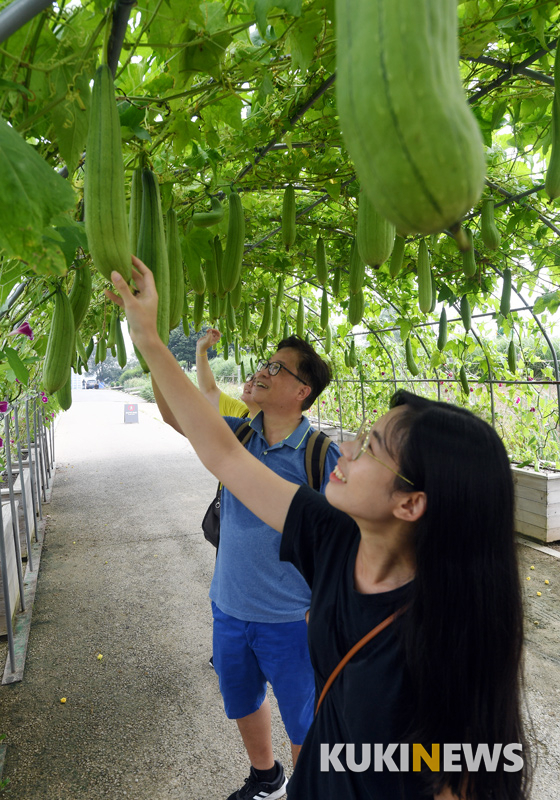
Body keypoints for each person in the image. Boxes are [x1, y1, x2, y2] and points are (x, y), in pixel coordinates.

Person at [108, 259, 530, 800]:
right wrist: (147, 337)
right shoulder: (328, 533)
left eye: (371, 447)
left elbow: (460, 777)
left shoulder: (445, 627)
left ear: (410, 504)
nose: (348, 448)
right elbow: (218, 451)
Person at [145, 285, 341, 800]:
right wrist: (151, 348)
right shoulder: (237, 434)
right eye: (265, 362)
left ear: (303, 390)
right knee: (243, 698)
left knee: (304, 718)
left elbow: (348, 544)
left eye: (278, 368)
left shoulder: (322, 455)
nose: (262, 371)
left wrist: (319, 609)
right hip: (229, 606)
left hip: (290, 618)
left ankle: (306, 790)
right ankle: (266, 777)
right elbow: (174, 414)